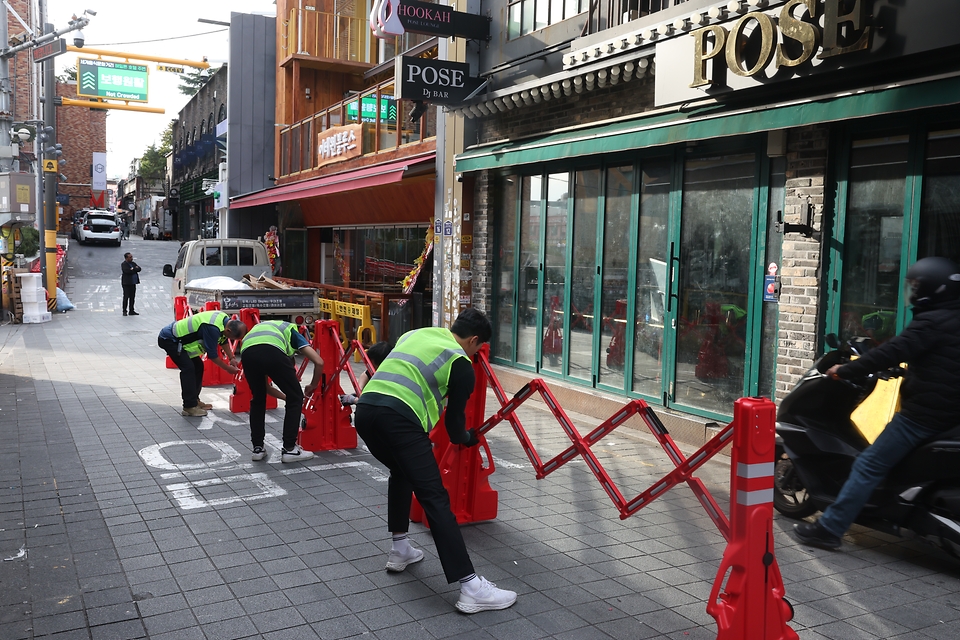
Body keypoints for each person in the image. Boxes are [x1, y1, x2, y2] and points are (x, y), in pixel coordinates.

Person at [355, 309, 518, 614]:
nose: (475, 354)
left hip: (366, 411)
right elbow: (456, 427)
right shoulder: (461, 363)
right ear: (474, 341)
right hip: (399, 420)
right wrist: (469, 438)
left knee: (401, 473)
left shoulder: (417, 333)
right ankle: (471, 587)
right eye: (477, 348)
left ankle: (400, 548)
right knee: (435, 496)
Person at [794, 257, 960, 550]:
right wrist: (908, 371)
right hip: (950, 414)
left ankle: (829, 529)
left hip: (926, 415)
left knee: (869, 464)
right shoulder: (952, 318)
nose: (912, 291)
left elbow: (892, 351)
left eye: (916, 286)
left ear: (932, 290)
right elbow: (939, 361)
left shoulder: (930, 322)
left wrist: (843, 370)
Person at [240, 320, 324, 463]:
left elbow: (266, 388)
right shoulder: (291, 331)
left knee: (258, 399)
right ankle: (290, 449)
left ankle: (258, 449)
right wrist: (313, 385)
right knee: (296, 398)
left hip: (247, 353)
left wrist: (286, 397)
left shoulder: (259, 330)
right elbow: (319, 362)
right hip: (272, 351)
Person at [158, 310, 247, 417]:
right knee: (188, 368)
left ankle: (195, 401)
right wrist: (227, 368)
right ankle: (189, 407)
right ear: (228, 330)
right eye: (232, 338)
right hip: (169, 339)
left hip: (178, 340)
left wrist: (231, 358)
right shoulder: (212, 328)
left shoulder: (224, 320)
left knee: (198, 366)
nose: (231, 340)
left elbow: (222, 340)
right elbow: (212, 355)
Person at [340, 340, 393, 405]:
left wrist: (354, 400)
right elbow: (366, 374)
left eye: (371, 364)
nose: (369, 366)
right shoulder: (382, 369)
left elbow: (375, 403)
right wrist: (359, 390)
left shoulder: (389, 379)